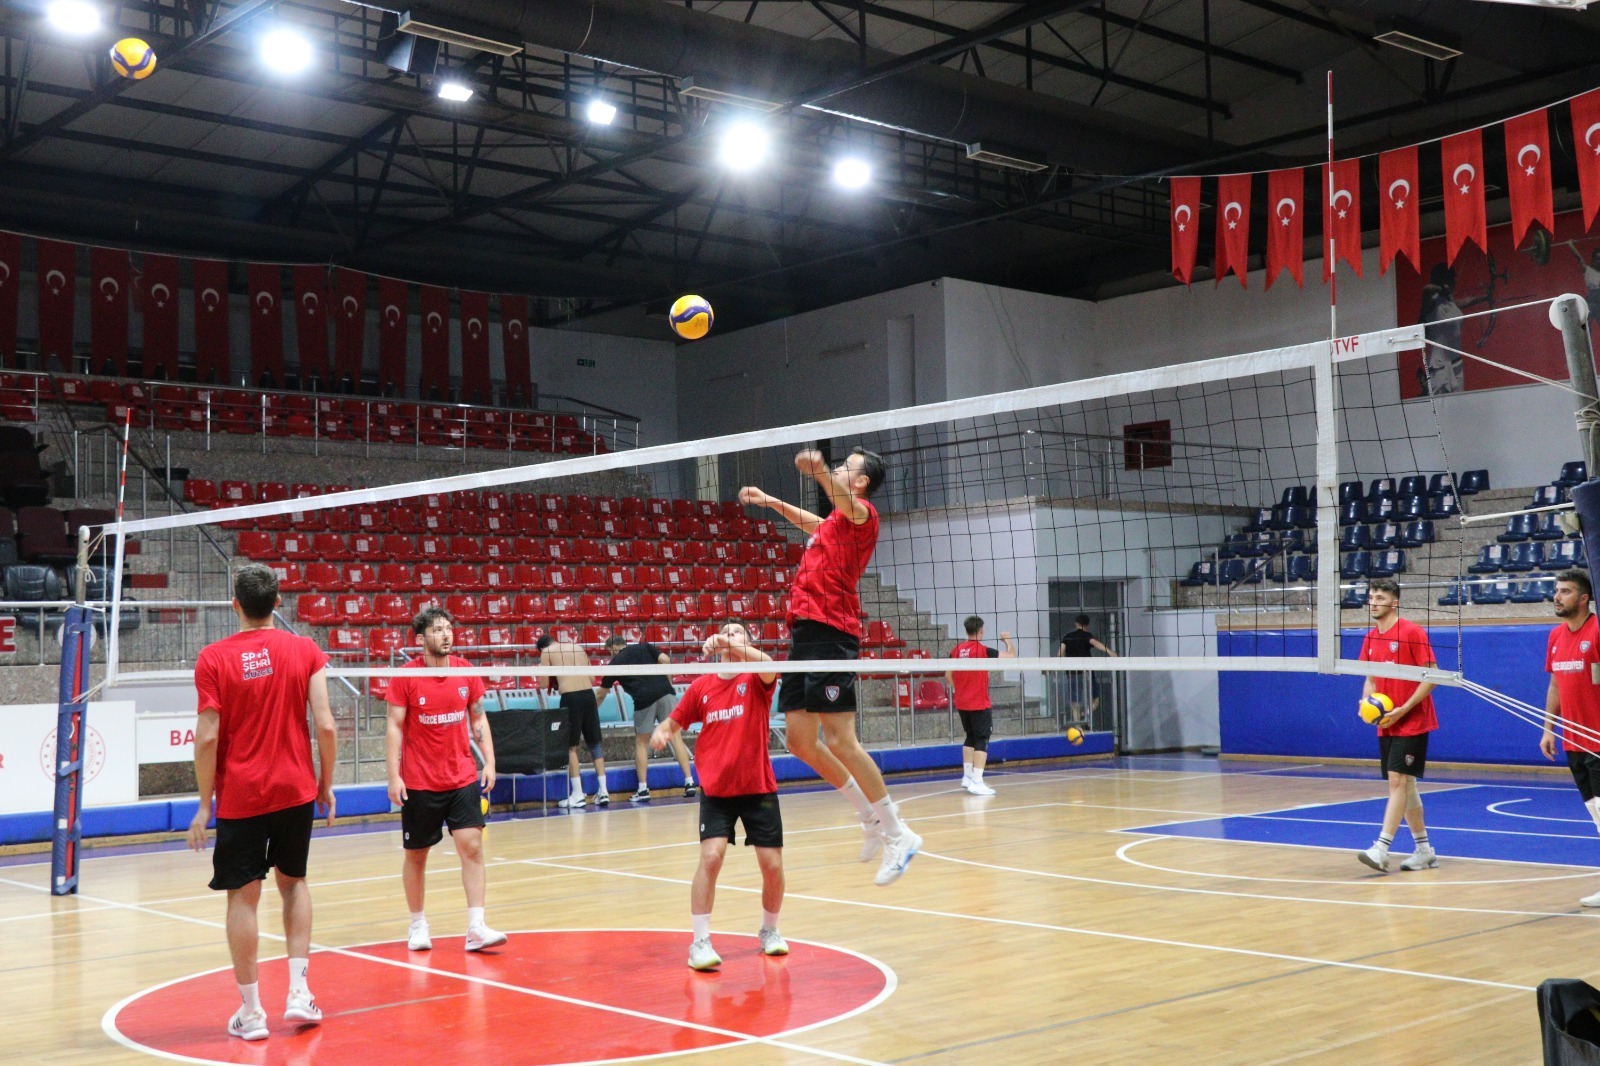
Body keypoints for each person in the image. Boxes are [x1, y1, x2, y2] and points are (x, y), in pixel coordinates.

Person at [740, 446, 923, 887]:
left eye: (846, 467)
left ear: (861, 482)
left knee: (841, 740)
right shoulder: (835, 525)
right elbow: (814, 522)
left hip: (832, 634)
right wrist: (771, 501)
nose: (840, 470)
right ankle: (869, 817)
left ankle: (898, 833)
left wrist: (821, 471)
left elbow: (842, 502)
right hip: (804, 633)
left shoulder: (863, 515)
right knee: (800, 741)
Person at [187, 563, 337, 1042]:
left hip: (241, 795)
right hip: (295, 789)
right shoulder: (305, 649)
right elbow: (326, 724)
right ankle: (299, 993)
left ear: (235, 605)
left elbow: (207, 737)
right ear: (278, 602)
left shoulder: (213, 658)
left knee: (243, 896)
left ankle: (252, 1013)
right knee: (294, 884)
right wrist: (326, 784)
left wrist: (204, 805)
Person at [650, 622, 786, 970]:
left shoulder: (756, 679)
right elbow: (673, 722)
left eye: (738, 632)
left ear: (748, 642)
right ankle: (699, 942)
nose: (730, 634)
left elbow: (769, 664)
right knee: (711, 857)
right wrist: (662, 731)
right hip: (717, 789)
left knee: (772, 866)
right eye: (726, 631)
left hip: (757, 786)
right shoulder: (702, 687)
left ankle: (770, 931)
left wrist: (726, 641)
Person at [385, 607, 505, 953]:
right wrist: (393, 776)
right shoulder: (405, 677)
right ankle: (418, 924)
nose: (446, 634)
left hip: (461, 777)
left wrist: (490, 761)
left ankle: (476, 927)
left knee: (472, 846)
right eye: (437, 630)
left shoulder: (465, 672)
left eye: (449, 628)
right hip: (420, 781)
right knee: (416, 856)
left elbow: (478, 719)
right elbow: (394, 727)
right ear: (421, 638)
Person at [1355, 577, 1440, 873]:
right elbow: (1370, 678)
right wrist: (1366, 705)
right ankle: (1424, 850)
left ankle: (1381, 848)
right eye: (1371, 597)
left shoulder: (1411, 632)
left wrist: (1405, 708)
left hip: (1412, 719)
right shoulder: (1370, 638)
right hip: (1387, 721)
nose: (1374, 603)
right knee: (1407, 786)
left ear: (1395, 602)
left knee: (1397, 781)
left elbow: (1432, 675)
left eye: (1380, 598)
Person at [1538, 570, 1600, 906]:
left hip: (1598, 740)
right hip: (1573, 741)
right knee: (1595, 813)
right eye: (1556, 590)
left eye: (1565, 591)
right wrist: (1548, 728)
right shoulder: (1555, 636)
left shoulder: (1597, 630)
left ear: (1584, 598)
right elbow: (1555, 685)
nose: (1557, 596)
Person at [601, 634, 698, 802]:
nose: (611, 655)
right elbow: (666, 660)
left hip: (644, 699)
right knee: (676, 738)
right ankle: (690, 783)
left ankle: (643, 789)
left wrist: (592, 707)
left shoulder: (615, 662)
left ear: (613, 648)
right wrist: (668, 683)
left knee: (642, 743)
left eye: (610, 652)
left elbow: (601, 693)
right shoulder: (644, 646)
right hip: (665, 693)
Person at [944, 616, 1016, 795]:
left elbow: (947, 675)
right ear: (981, 631)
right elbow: (1012, 657)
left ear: (966, 630)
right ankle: (977, 781)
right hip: (979, 702)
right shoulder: (983, 650)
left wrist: (961, 689)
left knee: (970, 737)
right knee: (982, 739)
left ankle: (967, 777)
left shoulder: (956, 650)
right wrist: (1008, 640)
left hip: (962, 702)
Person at [537, 633, 609, 808]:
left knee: (570, 747)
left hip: (571, 698)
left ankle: (577, 794)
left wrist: (544, 670)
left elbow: (543, 684)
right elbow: (592, 678)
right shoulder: (578, 647)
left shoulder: (546, 652)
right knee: (594, 744)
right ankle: (604, 791)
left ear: (542, 647)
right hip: (588, 695)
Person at [1057, 614, 1117, 718]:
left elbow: (1060, 654)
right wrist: (1111, 652)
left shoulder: (1067, 637)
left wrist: (1056, 666)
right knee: (1096, 700)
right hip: (1087, 672)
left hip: (1072, 673)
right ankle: (1085, 713)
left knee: (1075, 701)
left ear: (1076, 624)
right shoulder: (1087, 636)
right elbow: (1096, 644)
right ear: (1087, 625)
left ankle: (1077, 724)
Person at [1419, 263, 1465, 394]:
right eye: (1451, 279)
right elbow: (1426, 289)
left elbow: (1463, 302)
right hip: (1440, 367)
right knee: (1441, 404)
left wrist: (1484, 298)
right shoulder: (1432, 301)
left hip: (1457, 364)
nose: (1454, 282)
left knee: (1460, 403)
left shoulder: (1449, 301)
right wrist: (1442, 288)